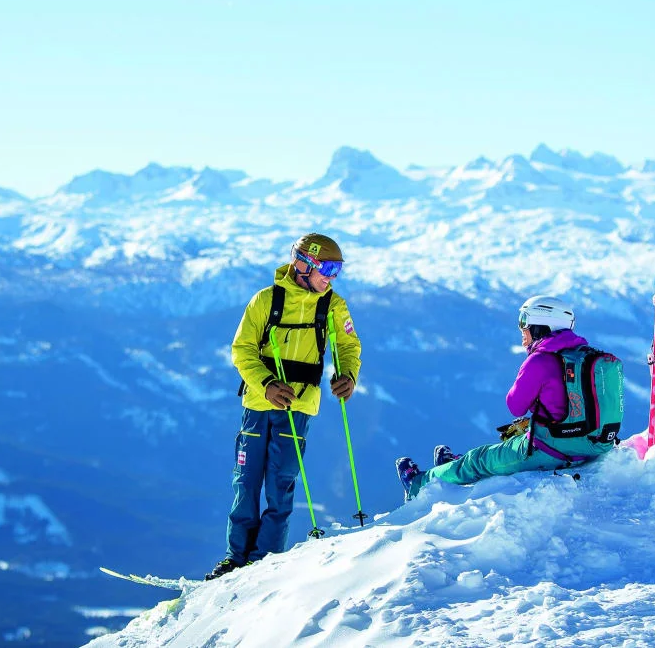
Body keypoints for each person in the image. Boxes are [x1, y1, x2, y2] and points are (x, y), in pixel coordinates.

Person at [206, 233, 362, 580]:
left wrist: (348, 375)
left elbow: (349, 346)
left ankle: (263, 561)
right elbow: (242, 349)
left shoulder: (333, 306)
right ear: (303, 264)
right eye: (327, 269)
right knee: (246, 482)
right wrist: (266, 384)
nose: (332, 277)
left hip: (299, 406)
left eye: (337, 270)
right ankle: (235, 557)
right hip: (258, 403)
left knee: (281, 484)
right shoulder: (266, 300)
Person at [396, 295, 621, 500]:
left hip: (551, 450)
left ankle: (418, 484)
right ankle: (451, 468)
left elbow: (515, 405)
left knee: (478, 459)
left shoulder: (540, 360)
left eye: (524, 322)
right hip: (593, 446)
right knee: (493, 452)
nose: (521, 329)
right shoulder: (584, 356)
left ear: (542, 326)